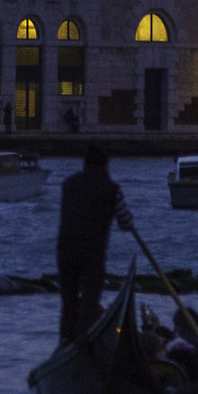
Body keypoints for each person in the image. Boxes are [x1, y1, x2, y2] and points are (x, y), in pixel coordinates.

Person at [56, 145, 125, 342]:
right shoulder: (112, 189)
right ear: (105, 165)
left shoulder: (68, 184)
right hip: (92, 253)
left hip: (65, 250)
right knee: (89, 303)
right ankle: (83, 344)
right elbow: (125, 221)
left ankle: (66, 341)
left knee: (68, 302)